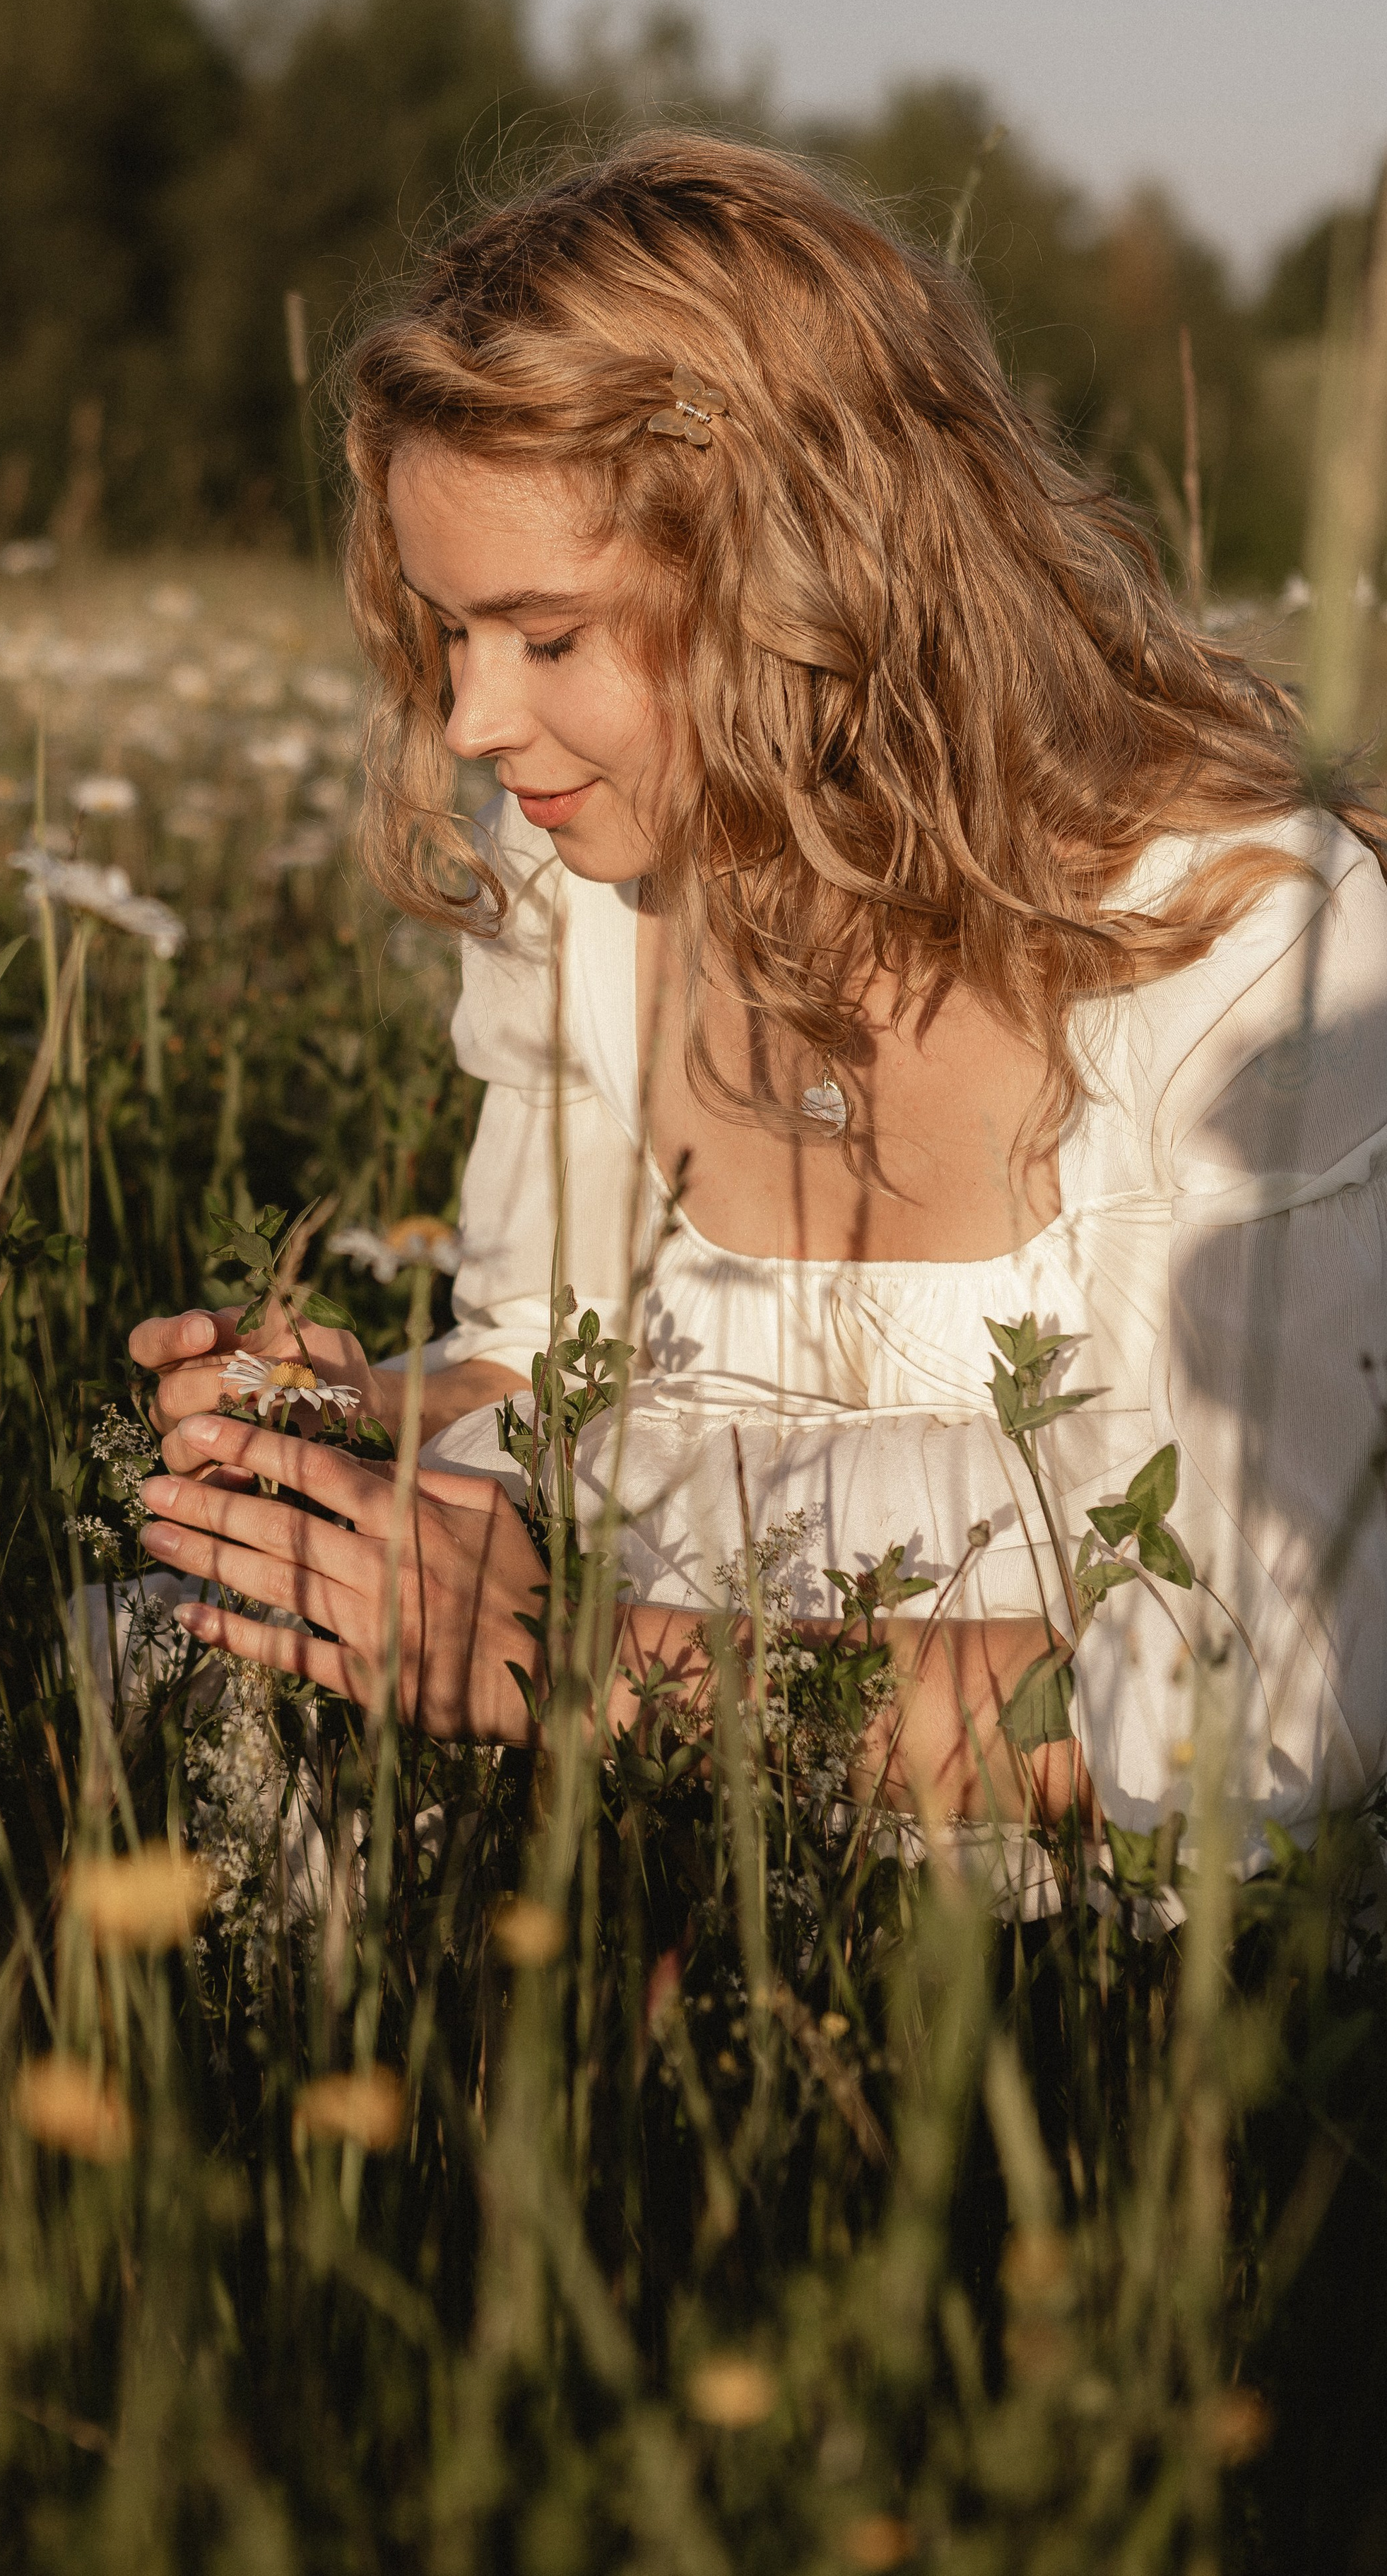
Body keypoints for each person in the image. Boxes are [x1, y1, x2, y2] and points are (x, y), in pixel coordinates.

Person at [130, 133, 1387, 1874]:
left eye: (548, 639)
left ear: (810, 581)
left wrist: (572, 1672)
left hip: (1061, 1891)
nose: (474, 722)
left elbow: (1280, 1698)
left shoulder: (1234, 941)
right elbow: (553, 1357)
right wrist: (350, 1432)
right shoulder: (577, 888)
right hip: (648, 1791)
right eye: (447, 633)